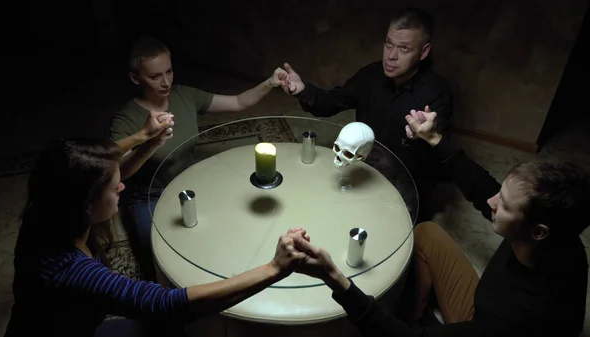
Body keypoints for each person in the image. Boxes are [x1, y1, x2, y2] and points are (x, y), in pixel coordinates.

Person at [291, 107, 589, 336]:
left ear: (538, 231)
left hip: (487, 324)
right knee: (428, 233)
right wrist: (433, 138)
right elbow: (481, 187)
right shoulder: (558, 236)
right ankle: (415, 313)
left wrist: (335, 277)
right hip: (484, 308)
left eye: (505, 204)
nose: (491, 202)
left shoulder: (519, 319)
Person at [4, 137, 310, 337]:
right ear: (86, 204)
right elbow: (164, 302)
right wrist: (273, 268)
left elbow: (89, 167)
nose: (122, 187)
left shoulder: (46, 211)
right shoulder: (72, 272)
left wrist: (144, 138)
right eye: (114, 187)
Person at [110, 36, 287, 280]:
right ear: (135, 78)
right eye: (154, 77)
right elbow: (119, 171)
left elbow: (237, 102)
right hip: (148, 195)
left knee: (225, 227)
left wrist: (270, 82)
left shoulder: (185, 96)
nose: (165, 82)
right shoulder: (126, 119)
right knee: (157, 257)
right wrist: (150, 142)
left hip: (187, 180)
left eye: (169, 72)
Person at [280, 7, 453, 220]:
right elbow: (330, 103)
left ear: (423, 52)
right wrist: (303, 89)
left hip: (406, 184)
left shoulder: (437, 94)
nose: (391, 56)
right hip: (362, 170)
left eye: (404, 49)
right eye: (389, 44)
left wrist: (423, 137)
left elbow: (438, 159)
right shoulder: (370, 75)